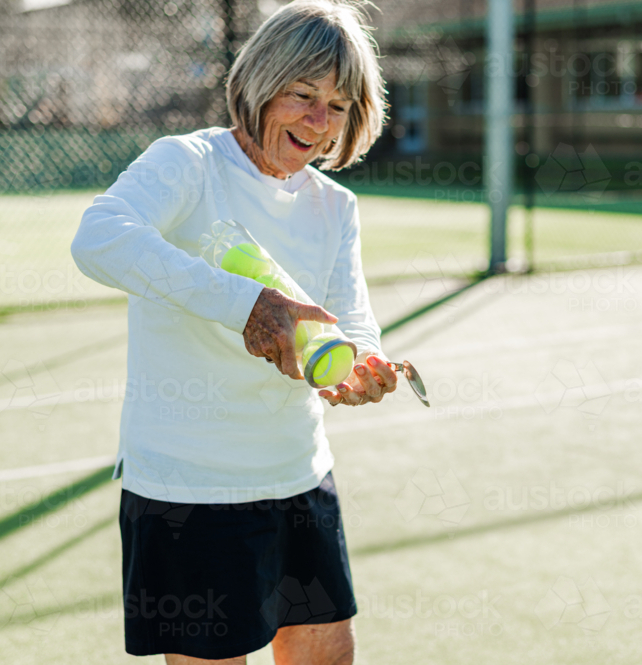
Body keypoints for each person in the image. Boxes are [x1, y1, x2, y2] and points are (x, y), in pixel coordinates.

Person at [70, 1, 393, 662]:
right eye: (302, 95)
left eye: (336, 106)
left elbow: (350, 316)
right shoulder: (187, 164)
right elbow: (98, 239)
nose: (317, 121)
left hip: (298, 473)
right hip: (192, 489)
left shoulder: (336, 207)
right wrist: (244, 303)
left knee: (329, 652)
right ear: (258, 83)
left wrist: (366, 362)